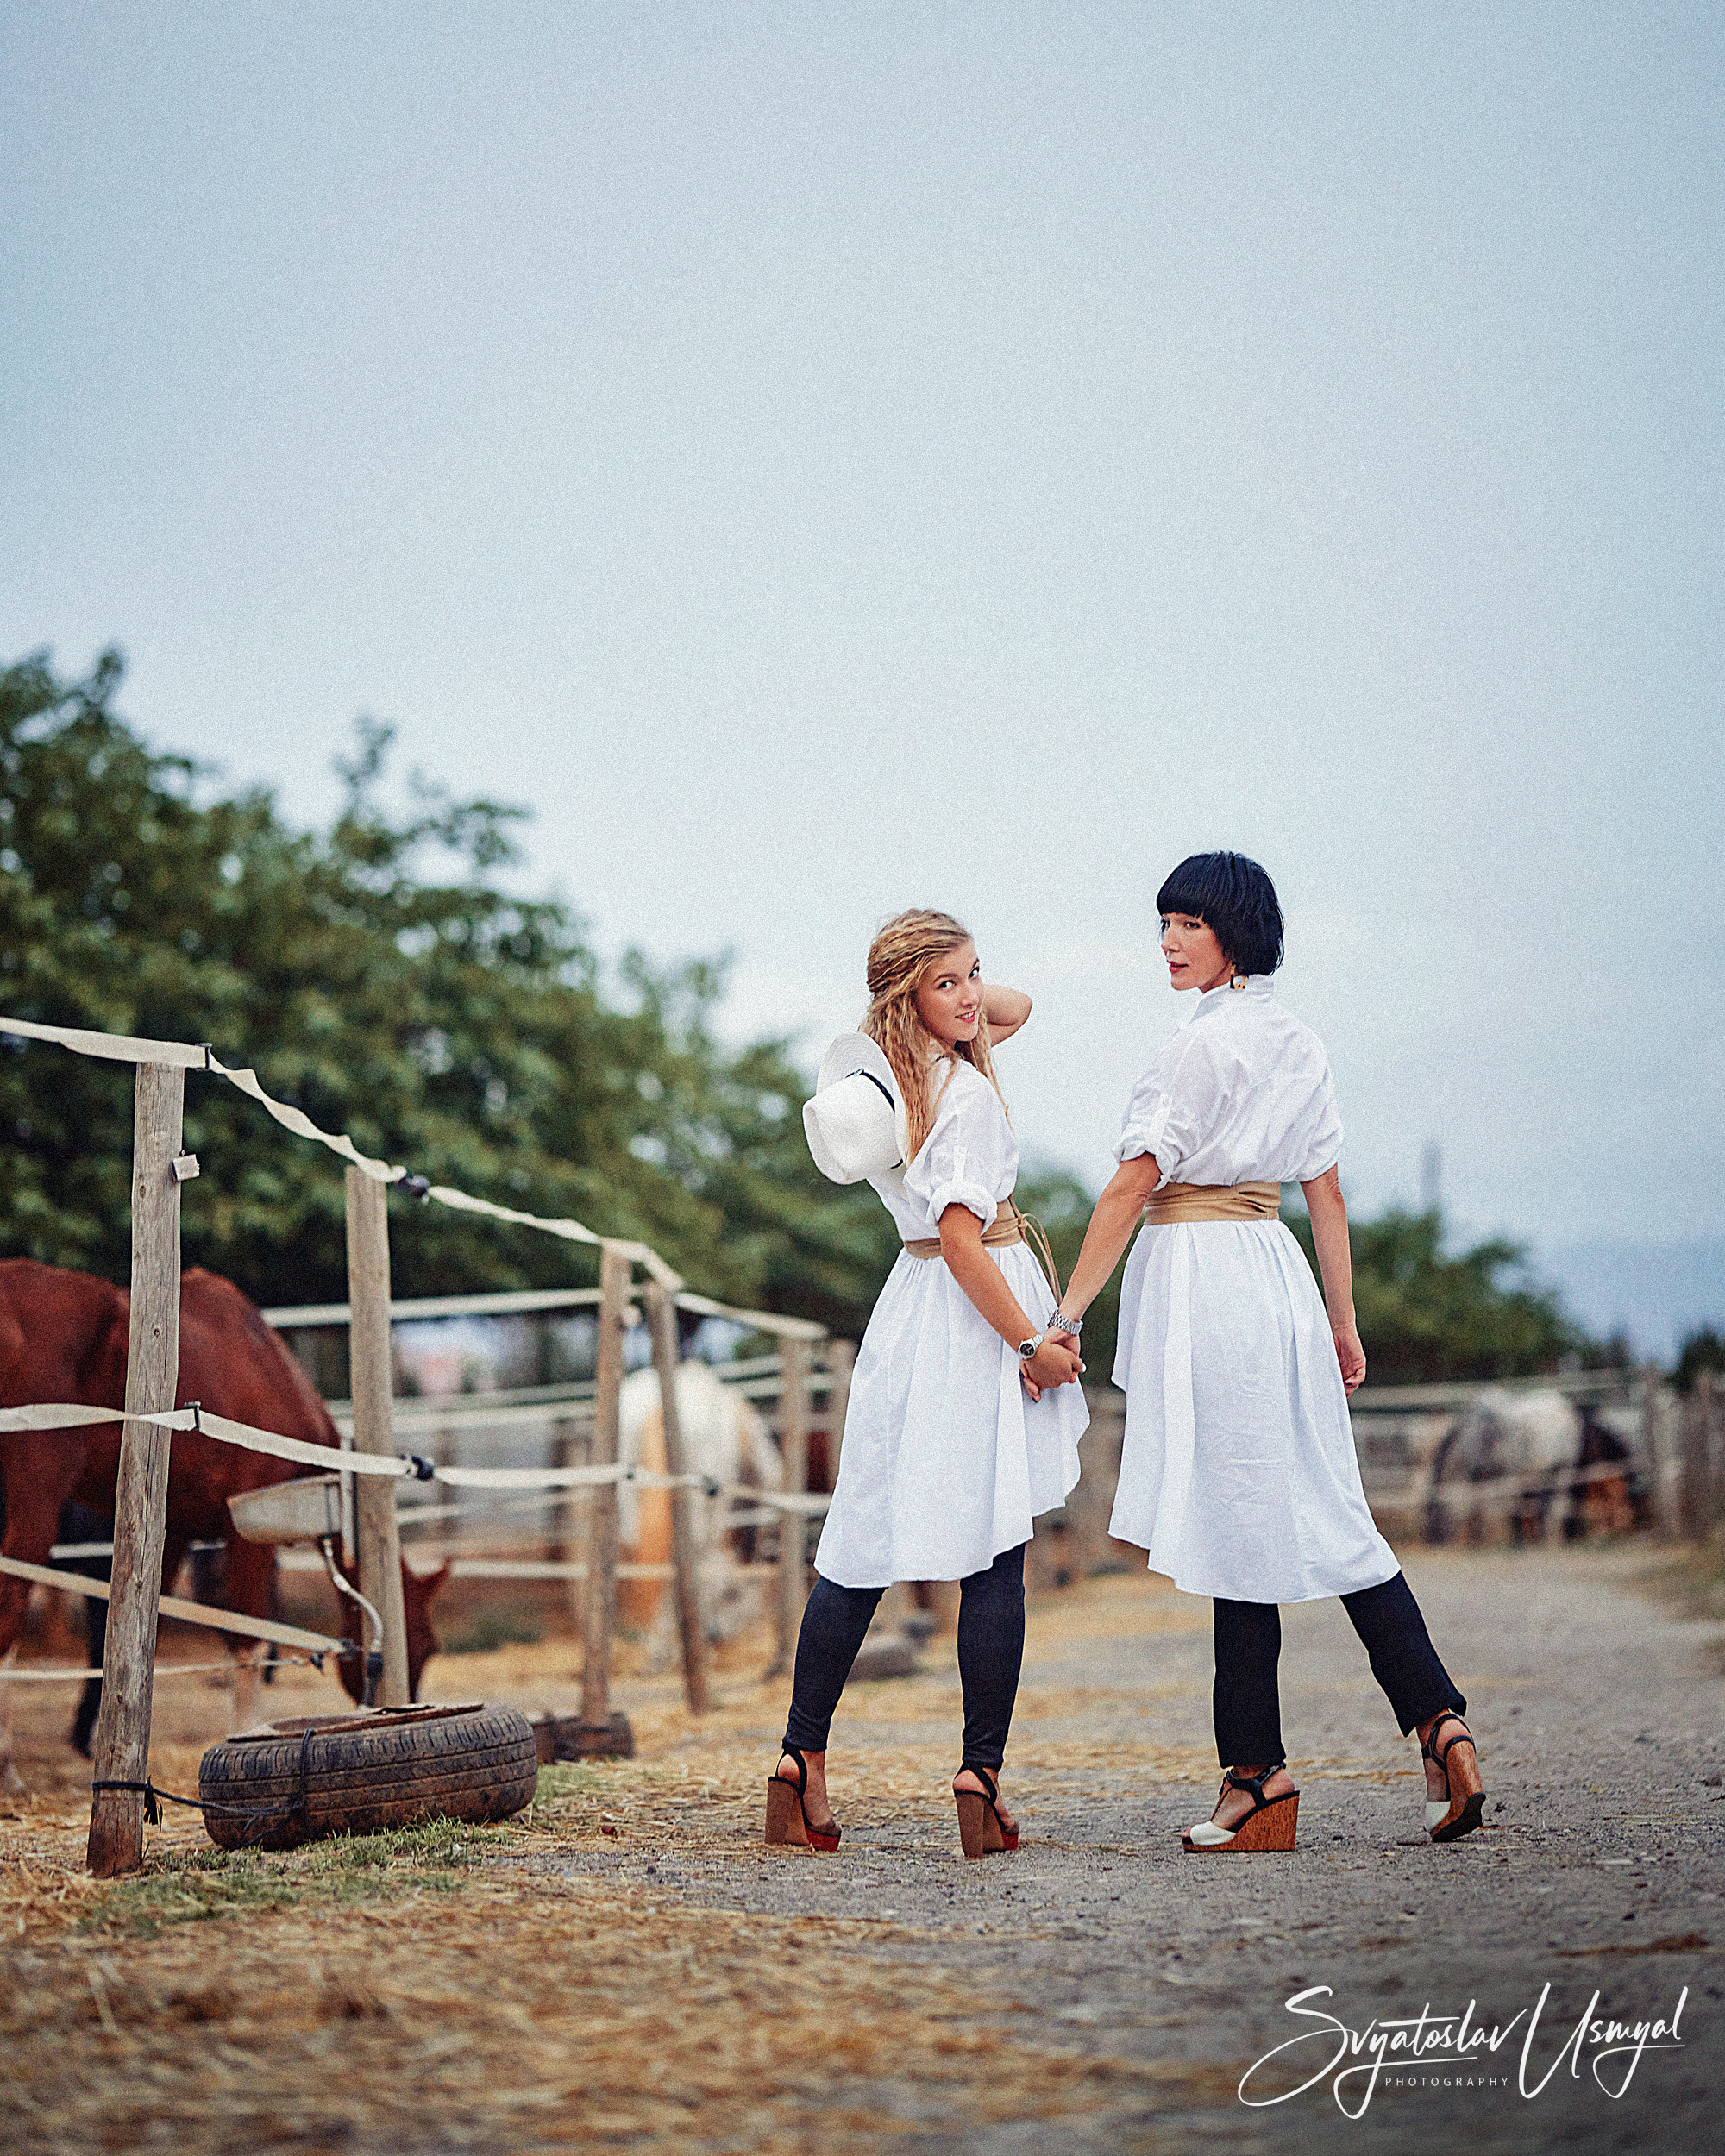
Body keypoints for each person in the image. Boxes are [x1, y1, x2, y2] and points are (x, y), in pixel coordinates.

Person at [1044, 854, 1484, 1851]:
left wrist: (1065, 1316)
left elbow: (1128, 1186)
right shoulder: (1299, 1042)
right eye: (1161, 921)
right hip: (1275, 1273)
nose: (1166, 939)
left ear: (1233, 932)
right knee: (1321, 1506)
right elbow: (1322, 1190)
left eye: (1187, 923)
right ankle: (1436, 1719)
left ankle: (1256, 1779)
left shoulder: (1193, 1050)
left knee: (1240, 1522)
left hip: (1206, 1278)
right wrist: (1340, 1317)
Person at [771, 908, 1088, 1858]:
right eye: (947, 983)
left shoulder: (884, 1083)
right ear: (906, 994)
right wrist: (1031, 1340)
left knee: (859, 1536)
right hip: (976, 1304)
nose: (972, 997)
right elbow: (959, 1235)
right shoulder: (965, 1096)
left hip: (909, 1312)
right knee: (995, 1548)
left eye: (971, 977)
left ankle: (798, 1764)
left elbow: (1014, 1006)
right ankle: (978, 1778)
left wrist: (931, 990)